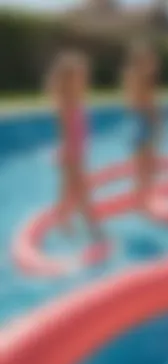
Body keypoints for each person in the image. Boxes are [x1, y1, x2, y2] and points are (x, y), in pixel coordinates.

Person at [46, 51, 107, 254]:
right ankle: (94, 230)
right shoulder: (66, 104)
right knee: (82, 193)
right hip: (72, 157)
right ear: (68, 80)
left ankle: (63, 224)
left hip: (77, 155)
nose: (84, 80)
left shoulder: (77, 99)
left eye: (84, 76)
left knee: (68, 193)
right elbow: (66, 135)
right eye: (79, 77)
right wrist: (72, 160)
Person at [123, 41, 159, 212]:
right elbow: (145, 102)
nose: (151, 62)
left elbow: (140, 101)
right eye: (147, 58)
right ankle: (142, 201)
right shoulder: (139, 76)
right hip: (141, 120)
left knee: (146, 164)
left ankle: (143, 199)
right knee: (144, 164)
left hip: (140, 120)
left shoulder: (135, 75)